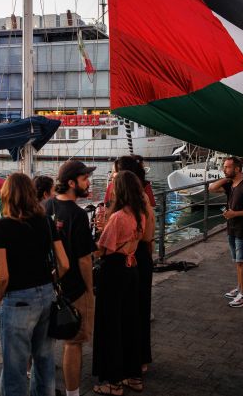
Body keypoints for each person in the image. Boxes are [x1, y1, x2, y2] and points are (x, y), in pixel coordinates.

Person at [0, 173, 69, 396]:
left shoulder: (1, 227)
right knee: (44, 361)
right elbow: (64, 263)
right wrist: (50, 280)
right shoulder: (46, 220)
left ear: (7, 196)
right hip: (46, 294)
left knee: (14, 367)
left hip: (17, 299)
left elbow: (3, 275)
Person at [44, 160, 96, 396]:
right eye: (85, 178)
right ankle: (72, 393)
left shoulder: (45, 207)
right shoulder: (77, 215)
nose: (88, 182)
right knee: (73, 343)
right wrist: (90, 290)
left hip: (47, 287)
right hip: (74, 288)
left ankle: (42, 387)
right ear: (72, 183)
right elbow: (85, 259)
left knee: (44, 343)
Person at [92, 170, 146, 396]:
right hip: (131, 268)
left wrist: (98, 232)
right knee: (130, 322)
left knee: (111, 325)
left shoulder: (117, 217)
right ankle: (133, 376)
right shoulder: (140, 214)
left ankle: (113, 381)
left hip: (114, 271)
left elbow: (102, 250)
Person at [100, 155, 155, 373]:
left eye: (115, 174)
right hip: (140, 254)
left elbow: (145, 236)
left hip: (132, 255)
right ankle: (138, 359)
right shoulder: (142, 197)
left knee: (133, 311)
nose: (112, 178)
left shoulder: (136, 203)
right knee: (139, 309)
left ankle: (132, 362)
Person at [209, 156, 243, 308]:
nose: (224, 169)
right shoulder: (230, 184)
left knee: (242, 262)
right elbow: (211, 188)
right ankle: (239, 288)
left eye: (228, 167)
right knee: (237, 262)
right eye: (224, 167)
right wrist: (226, 178)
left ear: (237, 169)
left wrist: (234, 214)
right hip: (232, 228)